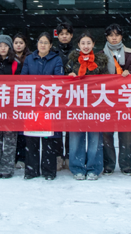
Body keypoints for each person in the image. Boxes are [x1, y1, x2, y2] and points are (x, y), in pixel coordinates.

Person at [20, 32, 64, 180]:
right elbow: (23, 80)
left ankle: (48, 171)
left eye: (46, 43)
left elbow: (58, 80)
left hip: (48, 104)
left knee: (48, 139)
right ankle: (31, 170)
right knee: (31, 139)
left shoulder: (56, 59)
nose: (43, 45)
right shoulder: (29, 59)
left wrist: (42, 87)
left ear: (50, 45)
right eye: (40, 42)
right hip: (32, 104)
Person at [66, 32, 109, 180]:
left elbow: (107, 81)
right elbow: (62, 79)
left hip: (95, 105)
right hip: (76, 105)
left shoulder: (101, 61)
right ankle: (77, 168)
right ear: (78, 45)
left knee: (95, 138)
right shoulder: (72, 61)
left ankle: (93, 168)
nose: (86, 46)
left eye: (88, 43)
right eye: (83, 43)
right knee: (76, 137)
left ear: (93, 45)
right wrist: (69, 77)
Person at [100, 23, 131, 176]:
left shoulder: (129, 53)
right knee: (106, 133)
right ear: (107, 37)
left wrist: (129, 74)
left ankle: (126, 164)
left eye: (117, 35)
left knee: (126, 132)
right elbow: (98, 75)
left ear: (121, 36)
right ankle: (108, 164)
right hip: (106, 98)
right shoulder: (100, 54)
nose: (114, 38)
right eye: (111, 35)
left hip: (124, 98)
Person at [0, 34, 20, 179]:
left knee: (10, 140)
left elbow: (20, 86)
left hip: (10, 107)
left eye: (5, 46)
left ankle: (7, 168)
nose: (3, 48)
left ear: (9, 48)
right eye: (0, 46)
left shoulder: (15, 64)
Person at [54, 21, 75, 171]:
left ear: (71, 35)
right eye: (61, 34)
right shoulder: (53, 52)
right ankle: (57, 156)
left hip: (73, 94)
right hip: (56, 94)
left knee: (70, 127)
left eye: (67, 34)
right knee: (56, 127)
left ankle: (69, 156)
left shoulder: (77, 52)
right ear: (58, 36)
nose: (64, 36)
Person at [12, 33, 31, 170]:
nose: (18, 45)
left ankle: (23, 157)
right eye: (16, 43)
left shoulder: (30, 58)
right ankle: (13, 157)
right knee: (13, 129)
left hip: (26, 96)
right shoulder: (8, 57)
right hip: (11, 98)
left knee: (24, 129)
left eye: (21, 43)